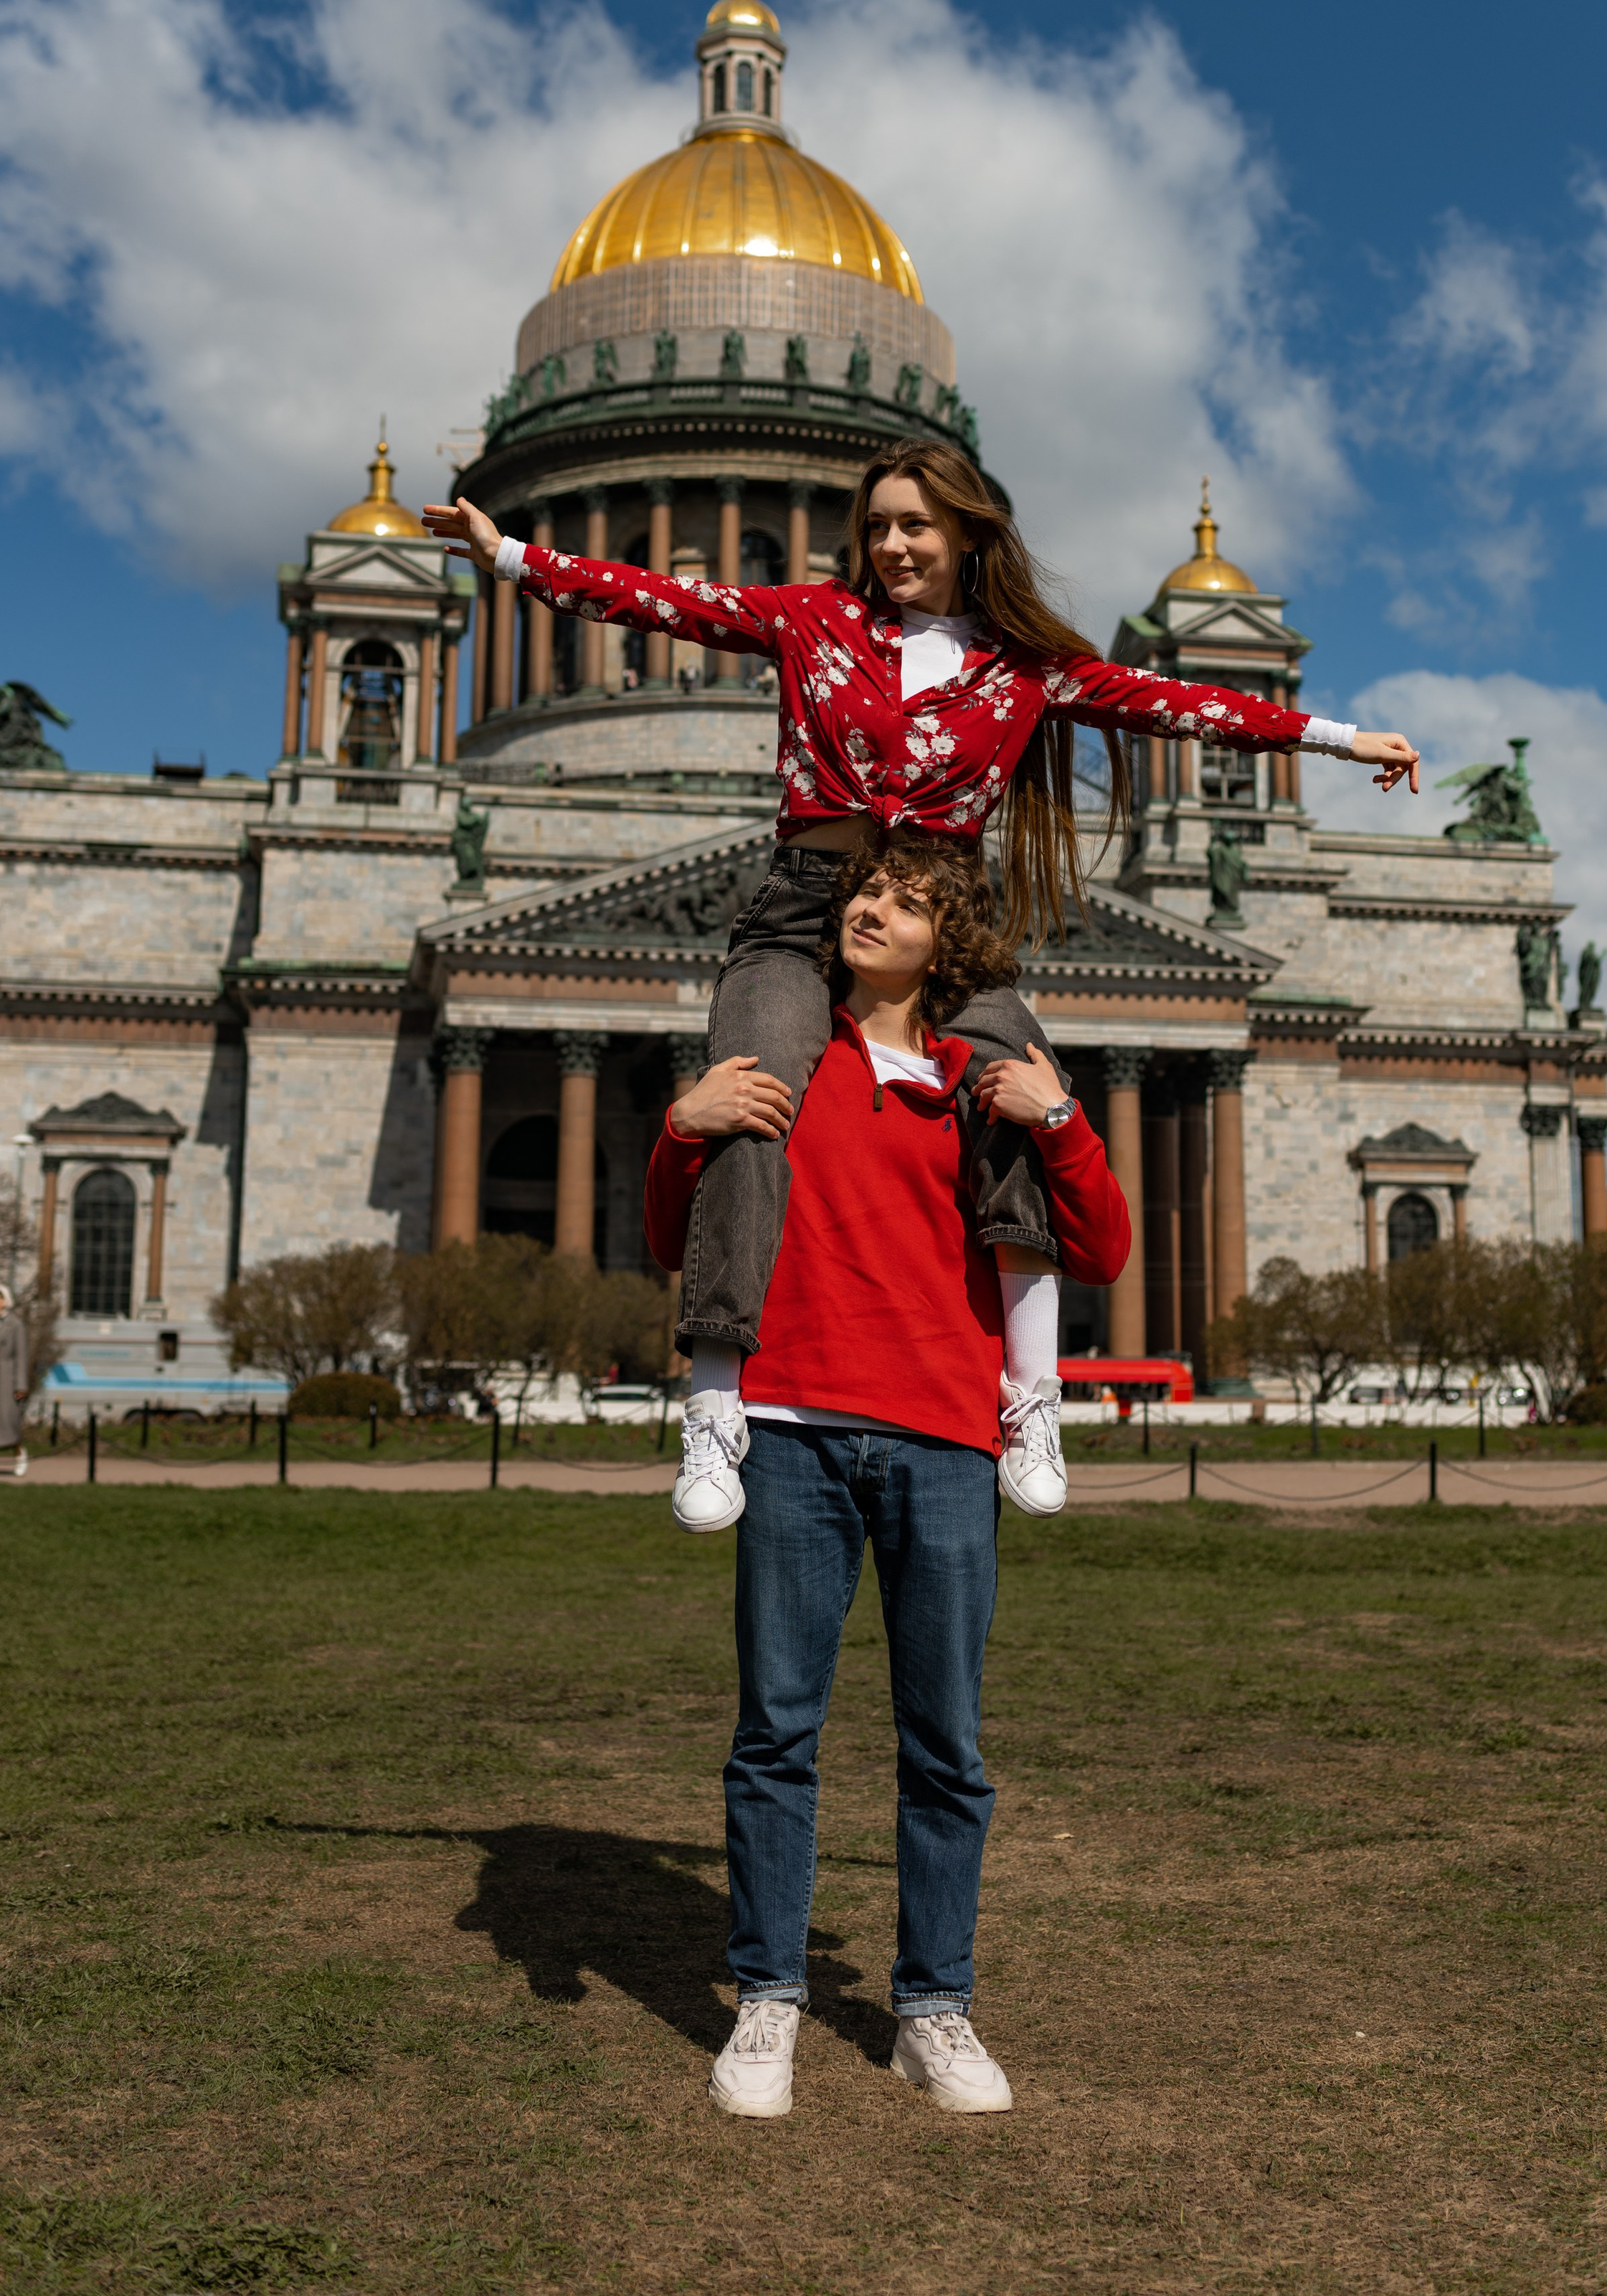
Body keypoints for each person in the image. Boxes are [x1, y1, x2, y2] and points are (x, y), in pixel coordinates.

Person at [425, 443, 1419, 1473]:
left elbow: (1177, 705)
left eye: (915, 525)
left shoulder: (1025, 668)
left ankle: (1032, 1402)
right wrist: (508, 558)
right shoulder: (812, 622)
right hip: (802, 915)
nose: (892, 546)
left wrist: (1343, 740)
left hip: (945, 924)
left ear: (966, 535)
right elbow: (663, 602)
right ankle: (717, 1406)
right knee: (752, 1096)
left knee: (1030, 1103)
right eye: (877, 526)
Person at [643, 838, 1130, 2117]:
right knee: (775, 1737)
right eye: (864, 892)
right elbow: (677, 1239)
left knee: (948, 1748)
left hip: (942, 1440)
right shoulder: (784, 1060)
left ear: (948, 944)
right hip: (793, 1429)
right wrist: (680, 1130)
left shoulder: (984, 1077)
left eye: (907, 902)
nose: (869, 908)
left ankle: (935, 2006)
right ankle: (767, 2001)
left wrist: (1064, 1119)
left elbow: (1100, 1243)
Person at [0, 1285, 30, 1479]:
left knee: (8, 1422)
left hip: (6, 1379)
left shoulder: (15, 1324)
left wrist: (21, 1385)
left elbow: (21, 1356)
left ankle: (19, 1454)